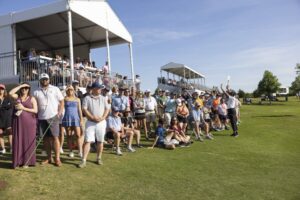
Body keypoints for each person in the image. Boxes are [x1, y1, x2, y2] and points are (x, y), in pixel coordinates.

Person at [34, 73, 64, 167]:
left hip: (53, 116)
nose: (44, 81)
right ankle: (49, 157)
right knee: (45, 139)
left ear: (49, 80)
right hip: (41, 117)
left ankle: (57, 158)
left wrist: (59, 112)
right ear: (40, 81)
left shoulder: (55, 89)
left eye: (46, 79)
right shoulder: (36, 92)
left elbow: (62, 101)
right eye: (43, 79)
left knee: (55, 137)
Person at [78, 82, 110, 168]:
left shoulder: (103, 98)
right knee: (88, 141)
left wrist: (103, 117)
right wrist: (92, 117)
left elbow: (107, 109)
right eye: (99, 88)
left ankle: (98, 158)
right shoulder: (87, 98)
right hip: (90, 122)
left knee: (100, 141)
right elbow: (84, 109)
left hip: (101, 122)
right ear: (94, 89)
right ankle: (83, 160)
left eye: (100, 88)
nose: (100, 90)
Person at [9, 83, 38, 168]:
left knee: (27, 141)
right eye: (23, 88)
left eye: (26, 88)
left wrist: (23, 108)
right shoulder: (17, 97)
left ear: (29, 89)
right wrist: (20, 86)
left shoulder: (32, 98)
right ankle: (18, 161)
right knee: (18, 140)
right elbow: (10, 93)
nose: (24, 90)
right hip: (17, 122)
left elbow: (35, 110)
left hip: (29, 123)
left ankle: (27, 162)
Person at [62, 85, 83, 158]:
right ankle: (71, 151)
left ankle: (80, 151)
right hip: (67, 118)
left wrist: (81, 119)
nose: (70, 91)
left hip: (75, 118)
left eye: (71, 89)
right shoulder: (65, 99)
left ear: (74, 90)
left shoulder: (77, 99)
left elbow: (79, 110)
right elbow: (60, 102)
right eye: (69, 89)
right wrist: (65, 90)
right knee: (69, 135)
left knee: (78, 135)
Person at [0, 84, 13, 154]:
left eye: (2, 89)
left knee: (10, 133)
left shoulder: (8, 98)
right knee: (0, 133)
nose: (0, 90)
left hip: (8, 118)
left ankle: (11, 148)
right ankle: (3, 148)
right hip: (0, 119)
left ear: (4, 90)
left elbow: (10, 106)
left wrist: (3, 107)